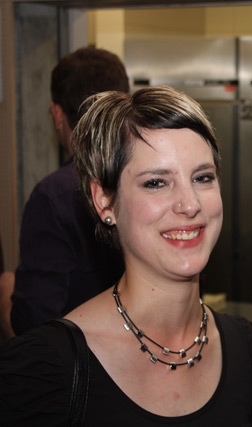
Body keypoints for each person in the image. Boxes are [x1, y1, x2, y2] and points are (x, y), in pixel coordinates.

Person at [0, 86, 252, 425]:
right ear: (104, 201)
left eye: (203, 177)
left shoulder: (245, 350)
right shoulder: (46, 369)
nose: (190, 204)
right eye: (156, 183)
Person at [11, 46, 129, 335]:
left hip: (79, 361)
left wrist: (4, 296)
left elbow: (34, 325)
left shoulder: (52, 197)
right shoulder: (151, 180)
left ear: (56, 114)